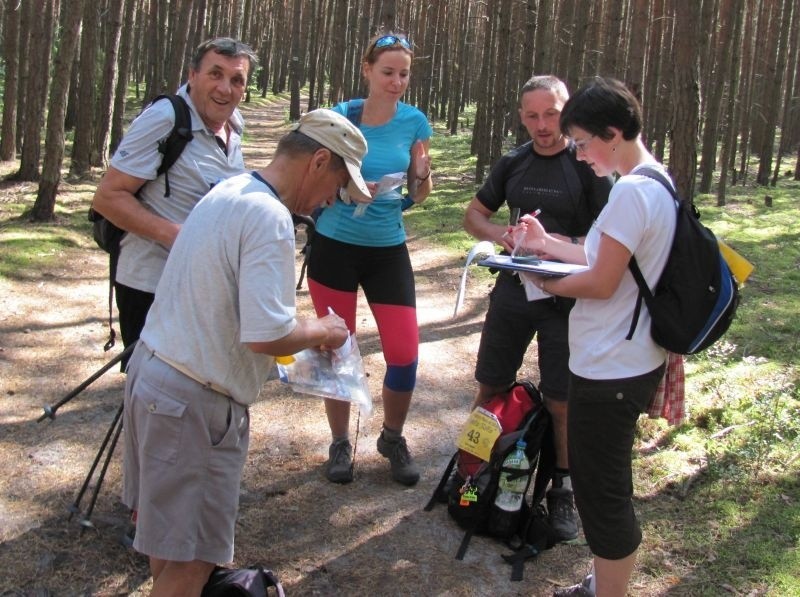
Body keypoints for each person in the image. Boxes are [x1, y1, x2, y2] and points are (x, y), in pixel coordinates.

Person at [121, 109, 370, 595]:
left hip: (155, 378)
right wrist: (322, 330)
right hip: (193, 403)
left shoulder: (230, 190)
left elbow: (235, 311)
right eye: (337, 187)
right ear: (319, 161)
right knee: (194, 562)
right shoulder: (269, 216)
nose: (329, 202)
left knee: (172, 549)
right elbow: (267, 334)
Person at [515, 77, 676, 597]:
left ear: (612, 133)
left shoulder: (631, 191)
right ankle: (603, 583)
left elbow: (602, 281)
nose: (580, 155)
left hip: (611, 368)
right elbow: (605, 256)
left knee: (602, 494)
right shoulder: (655, 180)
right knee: (605, 485)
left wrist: (539, 276)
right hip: (625, 358)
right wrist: (550, 245)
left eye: (583, 143)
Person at [463, 75, 612, 541]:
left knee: (562, 401)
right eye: (532, 116)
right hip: (513, 290)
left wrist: (554, 245)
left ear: (565, 112)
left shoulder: (586, 165)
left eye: (551, 114)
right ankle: (471, 475)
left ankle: (560, 489)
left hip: (567, 301)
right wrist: (502, 236)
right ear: (521, 116)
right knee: (489, 386)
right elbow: (474, 215)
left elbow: (604, 242)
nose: (542, 125)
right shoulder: (514, 162)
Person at [306, 31, 433, 486]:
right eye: (388, 72)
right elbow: (314, 176)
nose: (396, 81)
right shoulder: (343, 117)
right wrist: (344, 189)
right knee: (337, 349)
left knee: (404, 353)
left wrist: (421, 177)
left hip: (387, 248)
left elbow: (420, 192)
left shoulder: (415, 122)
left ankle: (392, 437)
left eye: (403, 74)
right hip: (335, 245)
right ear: (367, 70)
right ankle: (340, 442)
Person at [91, 37, 257, 369]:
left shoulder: (234, 125)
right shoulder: (165, 118)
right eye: (215, 74)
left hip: (204, 287)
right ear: (193, 74)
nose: (225, 88)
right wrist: (176, 236)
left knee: (194, 391)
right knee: (155, 395)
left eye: (236, 79)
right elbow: (108, 198)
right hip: (152, 286)